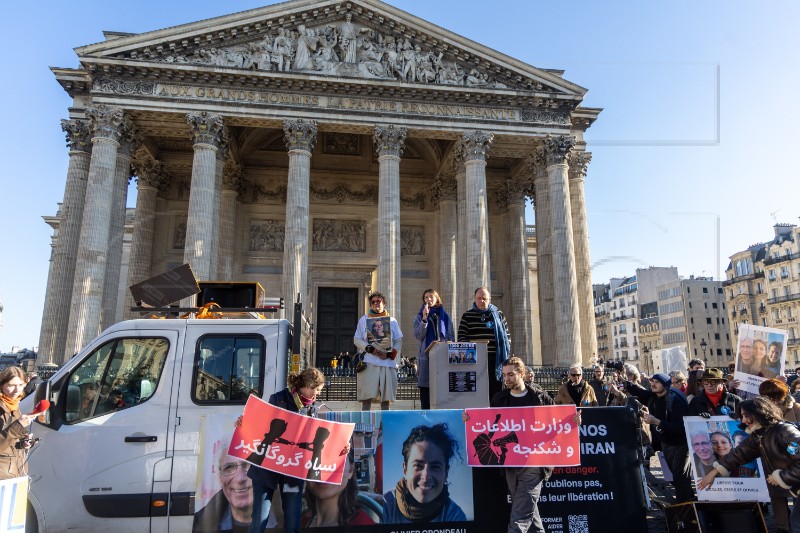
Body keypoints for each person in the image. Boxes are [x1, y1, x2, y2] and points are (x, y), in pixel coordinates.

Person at [463, 356, 579, 533]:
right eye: (504, 375)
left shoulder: (540, 397)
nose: (507, 379)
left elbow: (557, 421)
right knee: (529, 513)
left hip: (535, 463)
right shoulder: (499, 399)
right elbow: (490, 427)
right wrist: (471, 421)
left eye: (510, 375)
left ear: (522, 374)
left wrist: (574, 420)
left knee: (520, 517)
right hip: (511, 463)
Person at [243, 367, 326, 533]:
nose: (317, 395)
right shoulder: (278, 398)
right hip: (266, 467)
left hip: (292, 470)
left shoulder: (314, 408)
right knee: (260, 519)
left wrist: (341, 447)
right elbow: (260, 425)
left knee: (293, 518)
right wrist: (243, 422)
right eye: (317, 390)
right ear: (308, 385)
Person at [698, 397, 800, 532]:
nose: (744, 420)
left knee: (797, 523)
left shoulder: (785, 431)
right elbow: (739, 454)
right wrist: (713, 472)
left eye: (746, 415)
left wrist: (781, 477)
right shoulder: (758, 436)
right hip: (778, 488)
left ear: (760, 413)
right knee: (783, 526)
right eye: (742, 416)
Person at [625, 372, 694, 502]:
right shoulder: (652, 396)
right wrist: (623, 375)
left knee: (680, 476)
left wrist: (657, 422)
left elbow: (679, 427)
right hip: (666, 442)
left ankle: (684, 509)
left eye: (656, 382)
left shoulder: (676, 399)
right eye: (651, 382)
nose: (653, 384)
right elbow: (636, 390)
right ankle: (689, 500)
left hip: (681, 442)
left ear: (665, 385)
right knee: (676, 477)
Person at [382, 423, 467, 523]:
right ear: (405, 469)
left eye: (435, 467)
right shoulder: (385, 506)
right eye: (418, 465)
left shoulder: (454, 515)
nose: (426, 476)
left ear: (446, 473)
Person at [458, 287, 510, 401]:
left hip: (495, 360)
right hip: (475, 360)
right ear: (474, 299)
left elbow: (507, 337)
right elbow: (462, 338)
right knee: (477, 391)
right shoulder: (467, 316)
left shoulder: (499, 315)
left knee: (496, 391)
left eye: (485, 298)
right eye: (479, 298)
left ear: (489, 299)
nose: (482, 301)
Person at [354, 292, 403, 411]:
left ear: (384, 303)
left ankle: (384, 427)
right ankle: (366, 427)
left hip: (387, 363)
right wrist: (371, 349)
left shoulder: (392, 321)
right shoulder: (363, 320)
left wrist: (390, 354)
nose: (376, 304)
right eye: (373, 302)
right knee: (366, 399)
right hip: (370, 362)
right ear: (370, 305)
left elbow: (398, 340)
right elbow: (357, 339)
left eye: (379, 301)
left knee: (386, 401)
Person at [302, 451, 375, 527]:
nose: (323, 469)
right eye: (315, 459)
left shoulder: (362, 524)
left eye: (335, 460)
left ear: (351, 470)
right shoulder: (300, 522)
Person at [193, 447, 253, 533]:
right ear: (219, 477)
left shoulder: (279, 516)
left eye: (248, 465)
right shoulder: (199, 524)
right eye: (229, 468)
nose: (240, 478)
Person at [413, 289, 454, 410]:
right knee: (426, 390)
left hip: (442, 356)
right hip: (426, 357)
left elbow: (450, 336)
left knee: (442, 388)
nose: (429, 300)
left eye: (431, 297)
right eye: (426, 297)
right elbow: (419, 336)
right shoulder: (419, 316)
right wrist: (425, 319)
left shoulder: (445, 316)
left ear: (437, 299)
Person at [0, 366, 36, 479]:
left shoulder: (13, 404)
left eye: (20, 385)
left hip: (15, 471)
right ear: (1, 385)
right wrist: (19, 425)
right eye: (11, 385)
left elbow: (9, 442)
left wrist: (23, 442)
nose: (17, 390)